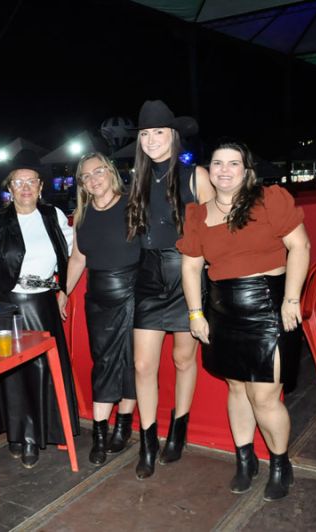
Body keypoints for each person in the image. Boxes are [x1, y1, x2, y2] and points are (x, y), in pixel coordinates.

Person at [177, 141, 310, 501]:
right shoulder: (198, 215)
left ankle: (280, 464)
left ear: (247, 171)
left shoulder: (270, 200)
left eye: (233, 163)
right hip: (222, 312)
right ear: (209, 170)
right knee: (236, 388)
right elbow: (190, 267)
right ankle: (245, 459)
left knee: (264, 396)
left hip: (268, 308)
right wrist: (195, 313)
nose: (224, 170)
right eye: (217, 163)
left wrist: (291, 299)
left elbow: (300, 246)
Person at [0, 151, 79, 469]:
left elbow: (72, 256)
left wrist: (63, 290)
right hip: (9, 306)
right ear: (10, 188)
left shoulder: (53, 215)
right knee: (16, 374)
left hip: (44, 304)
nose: (26, 187)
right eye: (19, 182)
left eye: (32, 181)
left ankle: (51, 429)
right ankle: (24, 436)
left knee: (45, 369)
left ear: (41, 186)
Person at [126, 100, 214, 479]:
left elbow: (216, 231)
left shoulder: (196, 176)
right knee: (143, 364)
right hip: (147, 275)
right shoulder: (138, 178)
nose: (151, 140)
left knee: (182, 359)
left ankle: (179, 429)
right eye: (145, 133)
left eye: (158, 132)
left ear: (174, 135)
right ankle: (147, 443)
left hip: (186, 275)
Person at [58, 153, 139, 465]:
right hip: (99, 298)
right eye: (86, 176)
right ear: (81, 184)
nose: (93, 179)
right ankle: (101, 432)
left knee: (132, 362)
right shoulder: (82, 215)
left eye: (98, 171)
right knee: (104, 362)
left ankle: (122, 425)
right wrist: (64, 291)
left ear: (111, 172)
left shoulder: (133, 204)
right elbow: (78, 258)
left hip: (134, 293)